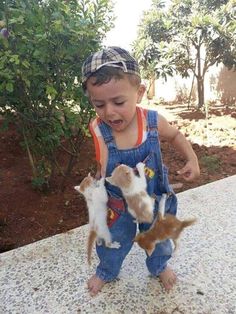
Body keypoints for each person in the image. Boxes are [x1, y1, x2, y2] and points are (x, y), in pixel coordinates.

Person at [81, 46, 200, 296]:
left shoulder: (153, 122)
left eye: (119, 101)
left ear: (140, 92)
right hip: (118, 205)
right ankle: (107, 270)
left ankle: (159, 266)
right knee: (110, 240)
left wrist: (191, 158)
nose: (109, 112)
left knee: (158, 237)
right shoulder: (99, 129)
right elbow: (103, 169)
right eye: (99, 104)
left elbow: (176, 135)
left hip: (154, 199)